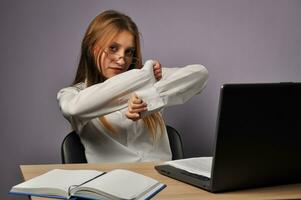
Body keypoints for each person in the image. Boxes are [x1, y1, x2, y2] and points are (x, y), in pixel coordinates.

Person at [57, 10, 208, 163]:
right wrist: (142, 77)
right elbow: (73, 109)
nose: (122, 61)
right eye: (113, 48)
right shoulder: (73, 94)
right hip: (111, 183)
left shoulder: (151, 79)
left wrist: (147, 98)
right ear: (93, 48)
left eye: (129, 52)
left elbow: (200, 74)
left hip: (162, 181)